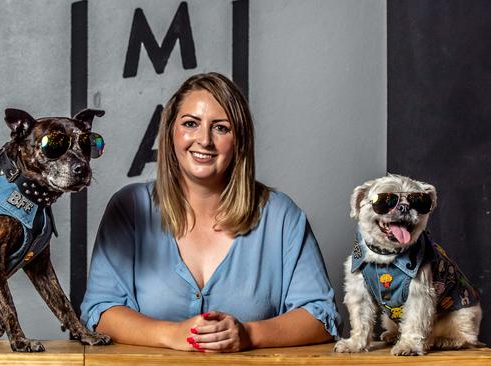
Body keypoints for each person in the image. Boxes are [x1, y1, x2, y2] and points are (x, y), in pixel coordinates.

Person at [80, 72, 340, 352]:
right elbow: (100, 312)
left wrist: (249, 334)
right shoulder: (129, 208)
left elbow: (320, 317)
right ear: (170, 133)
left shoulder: (280, 216)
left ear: (239, 140)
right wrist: (172, 334)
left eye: (221, 128)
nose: (204, 140)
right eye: (191, 124)